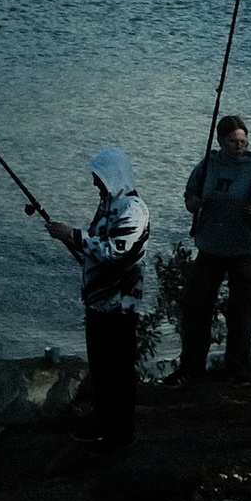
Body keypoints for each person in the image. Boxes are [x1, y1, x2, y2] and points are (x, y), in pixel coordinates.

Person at [36, 144, 151, 454]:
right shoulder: (108, 205)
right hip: (99, 304)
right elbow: (97, 245)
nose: (94, 183)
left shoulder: (133, 209)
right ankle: (103, 425)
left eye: (98, 177)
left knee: (118, 370)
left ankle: (121, 434)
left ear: (113, 176)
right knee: (101, 368)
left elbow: (115, 250)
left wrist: (71, 235)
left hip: (120, 306)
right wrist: (75, 241)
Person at [180, 112, 251, 385]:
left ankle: (236, 369)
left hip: (245, 250)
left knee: (242, 310)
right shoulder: (207, 166)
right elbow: (190, 193)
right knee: (196, 305)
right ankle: (191, 367)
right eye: (234, 141)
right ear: (221, 141)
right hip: (211, 247)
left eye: (243, 141)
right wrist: (192, 203)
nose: (239, 146)